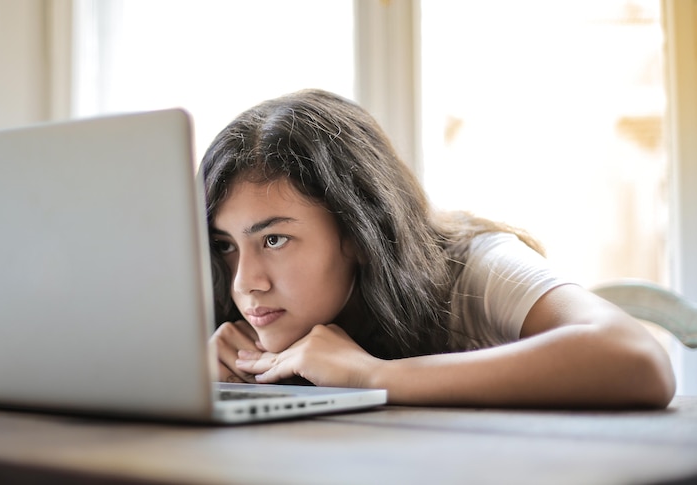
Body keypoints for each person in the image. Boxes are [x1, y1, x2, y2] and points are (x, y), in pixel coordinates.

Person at [200, 89, 675, 408]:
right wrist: (195, 381)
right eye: (225, 244)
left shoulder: (475, 266)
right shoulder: (235, 314)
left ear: (361, 232)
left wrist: (371, 377)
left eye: (274, 239)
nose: (246, 282)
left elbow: (636, 358)